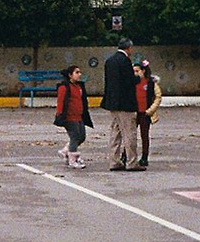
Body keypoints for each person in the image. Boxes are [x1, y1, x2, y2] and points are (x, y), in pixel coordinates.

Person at [101, 36, 140, 171]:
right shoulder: (125, 61)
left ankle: (114, 160)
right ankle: (132, 162)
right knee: (129, 133)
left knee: (115, 132)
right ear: (128, 48)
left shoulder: (110, 61)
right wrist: (137, 78)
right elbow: (129, 81)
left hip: (112, 102)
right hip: (125, 103)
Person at [53, 64, 92, 169]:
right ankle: (72, 159)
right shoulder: (64, 87)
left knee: (81, 137)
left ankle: (66, 151)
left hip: (79, 116)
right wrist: (60, 114)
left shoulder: (79, 86)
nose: (79, 74)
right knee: (74, 137)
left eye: (80, 72)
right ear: (70, 75)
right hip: (69, 117)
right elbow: (60, 101)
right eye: (77, 72)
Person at [137, 59, 161, 169]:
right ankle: (125, 155)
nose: (135, 73)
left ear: (143, 70)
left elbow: (158, 97)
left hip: (145, 113)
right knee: (130, 136)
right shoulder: (132, 82)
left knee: (144, 135)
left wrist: (150, 110)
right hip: (134, 111)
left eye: (137, 71)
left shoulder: (151, 83)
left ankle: (144, 156)